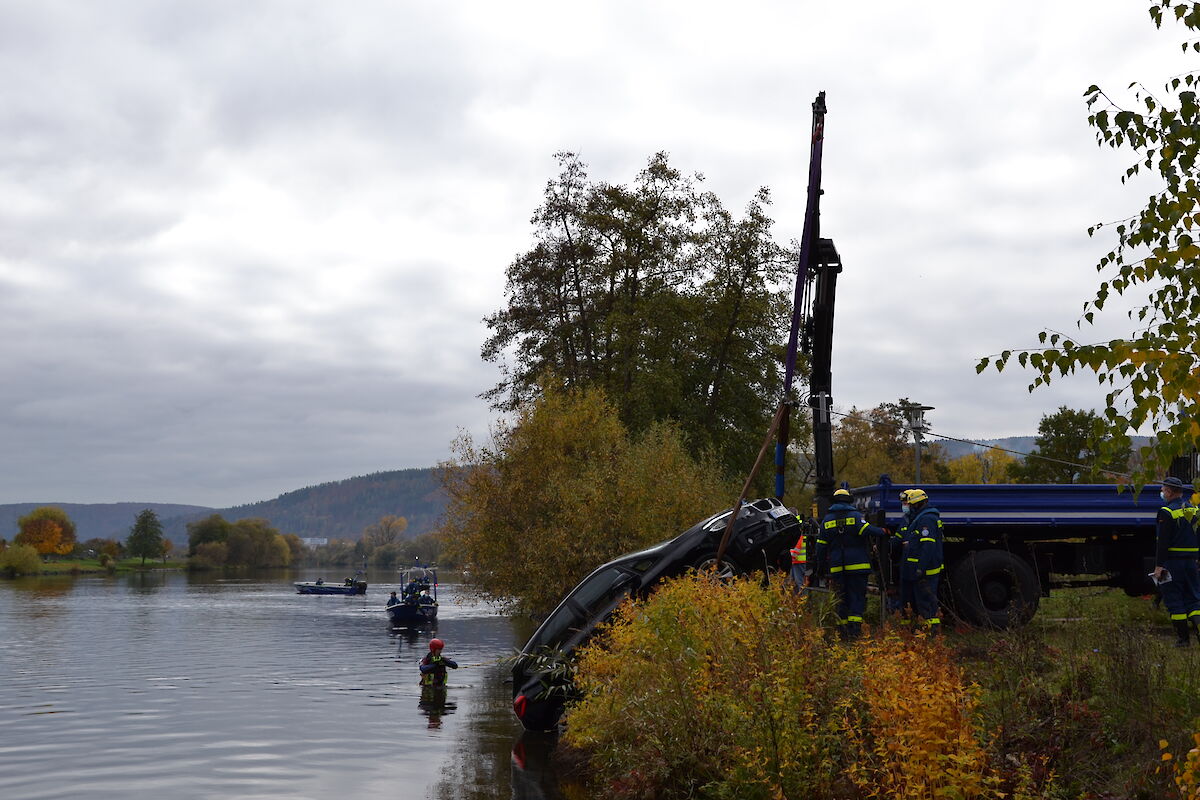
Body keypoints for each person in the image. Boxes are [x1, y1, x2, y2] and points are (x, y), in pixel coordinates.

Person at [814, 487, 888, 640]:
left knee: (841, 599)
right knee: (856, 597)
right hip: (857, 567)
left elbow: (820, 547)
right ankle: (855, 631)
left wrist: (820, 568)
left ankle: (842, 631)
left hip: (837, 568)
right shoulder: (855, 516)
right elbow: (868, 530)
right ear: (849, 500)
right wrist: (884, 531)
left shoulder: (827, 520)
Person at [1153, 476, 1200, 647]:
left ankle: (1183, 640)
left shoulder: (1166, 511)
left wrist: (1159, 566)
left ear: (1170, 492)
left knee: (1174, 599)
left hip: (1172, 563)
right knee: (1194, 599)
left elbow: (1162, 542)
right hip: (1191, 562)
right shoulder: (1194, 510)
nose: (1162, 493)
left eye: (1164, 490)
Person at [904, 489, 944, 634]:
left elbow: (928, 546)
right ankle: (928, 631)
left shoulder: (926, 519)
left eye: (912, 505)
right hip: (924, 568)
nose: (910, 507)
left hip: (926, 570)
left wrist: (921, 568)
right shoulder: (922, 517)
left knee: (926, 601)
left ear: (919, 504)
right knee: (923, 601)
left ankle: (930, 633)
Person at [788, 510, 810, 594]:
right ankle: (796, 602)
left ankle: (802, 601)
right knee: (793, 583)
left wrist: (792, 555)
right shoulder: (797, 524)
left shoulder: (796, 525)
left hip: (798, 560)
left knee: (799, 583)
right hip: (795, 560)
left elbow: (798, 541)